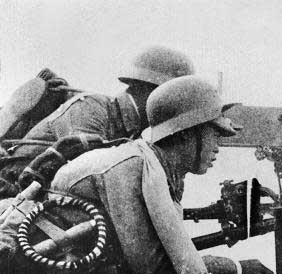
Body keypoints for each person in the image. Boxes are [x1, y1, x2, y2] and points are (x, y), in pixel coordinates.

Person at [44, 75, 272, 274]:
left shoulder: (159, 171)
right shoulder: (131, 167)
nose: (217, 147)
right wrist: (236, 267)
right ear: (186, 132)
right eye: (215, 134)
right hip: (37, 264)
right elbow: (154, 270)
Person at [0, 46, 195, 199]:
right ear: (147, 89)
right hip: (13, 191)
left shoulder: (131, 131)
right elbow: (81, 175)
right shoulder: (92, 107)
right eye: (171, 98)